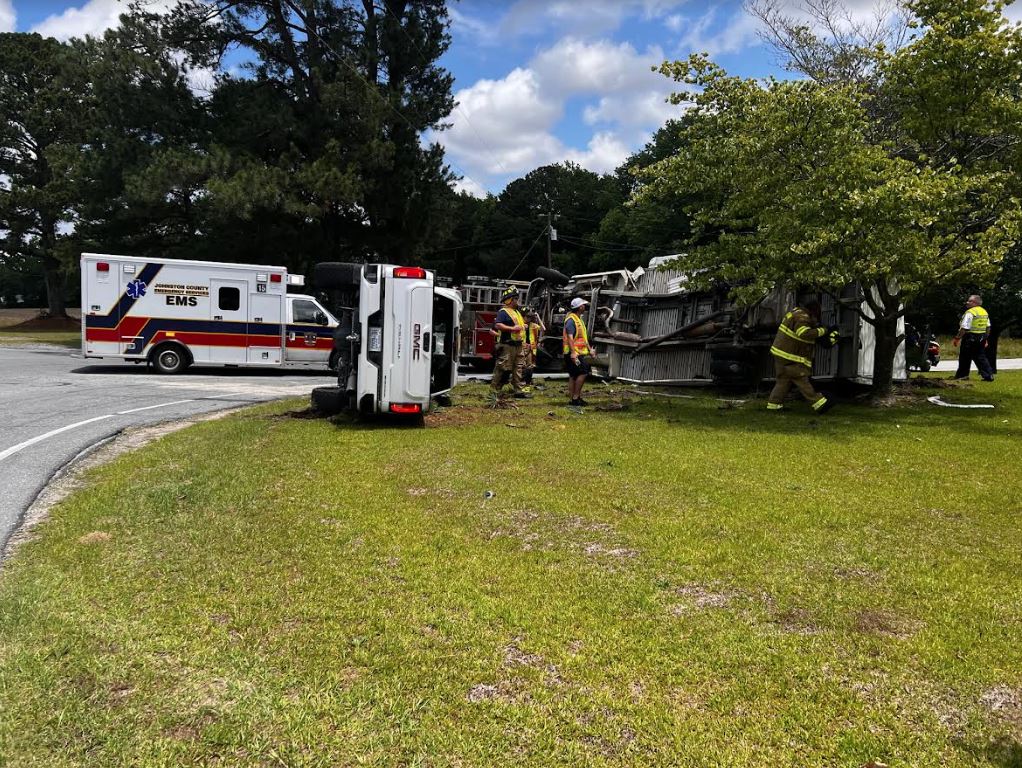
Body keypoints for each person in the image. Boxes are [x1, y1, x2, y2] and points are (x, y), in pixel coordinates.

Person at [766, 299, 837, 413]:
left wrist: (816, 329)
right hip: (790, 357)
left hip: (781, 355)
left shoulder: (796, 312)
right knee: (801, 378)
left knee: (783, 380)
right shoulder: (802, 317)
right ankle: (819, 403)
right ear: (813, 311)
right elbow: (803, 333)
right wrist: (823, 330)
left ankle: (774, 405)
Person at [491, 286, 529, 400]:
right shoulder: (504, 312)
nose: (518, 300)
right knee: (502, 368)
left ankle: (518, 390)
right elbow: (498, 325)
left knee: (518, 368)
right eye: (516, 298)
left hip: (518, 345)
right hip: (507, 346)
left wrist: (523, 326)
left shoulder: (516, 312)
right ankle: (494, 391)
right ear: (509, 300)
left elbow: (518, 326)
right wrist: (512, 329)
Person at [952, 294, 994, 382]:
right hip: (981, 337)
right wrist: (985, 339)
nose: (967, 302)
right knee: (981, 357)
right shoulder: (984, 312)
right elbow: (988, 327)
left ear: (975, 303)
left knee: (965, 357)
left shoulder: (970, 312)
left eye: (969, 301)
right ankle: (988, 375)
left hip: (969, 337)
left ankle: (962, 375)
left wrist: (957, 338)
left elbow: (964, 327)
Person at [563, 297, 594, 407]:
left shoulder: (578, 320)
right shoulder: (571, 320)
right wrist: (573, 353)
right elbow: (570, 338)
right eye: (583, 305)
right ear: (580, 307)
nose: (585, 307)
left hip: (577, 353)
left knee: (574, 375)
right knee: (583, 371)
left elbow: (583, 338)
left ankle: (574, 399)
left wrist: (590, 350)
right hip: (573, 354)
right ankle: (575, 398)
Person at [522, 308, 545, 387]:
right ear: (523, 316)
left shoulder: (533, 325)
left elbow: (543, 329)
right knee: (521, 366)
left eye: (530, 317)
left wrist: (538, 317)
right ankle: (520, 382)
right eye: (527, 317)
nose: (529, 319)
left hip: (530, 348)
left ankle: (527, 383)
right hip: (521, 347)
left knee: (529, 366)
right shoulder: (520, 324)